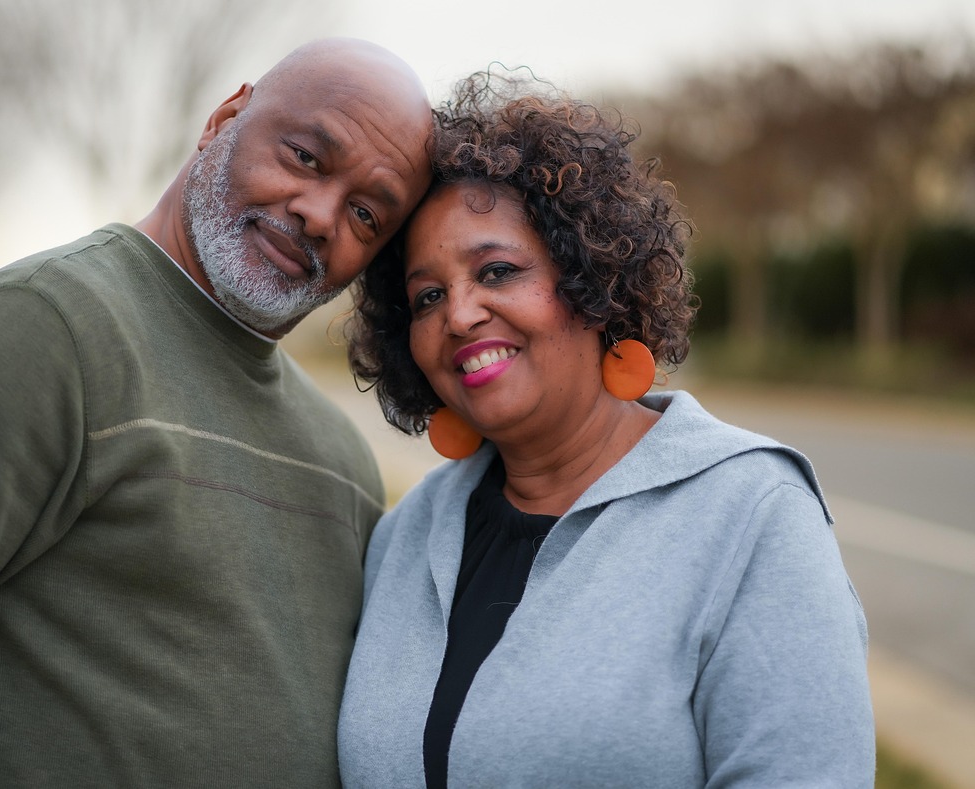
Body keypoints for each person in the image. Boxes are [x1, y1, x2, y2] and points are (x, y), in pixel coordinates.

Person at [0, 37, 434, 788]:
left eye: (367, 214)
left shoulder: (344, 461)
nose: (320, 214)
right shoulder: (41, 331)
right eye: (305, 156)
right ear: (225, 117)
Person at [337, 71, 876, 787]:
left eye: (496, 271)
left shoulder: (752, 515)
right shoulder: (403, 539)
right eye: (428, 296)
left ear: (594, 280)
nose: (459, 314)